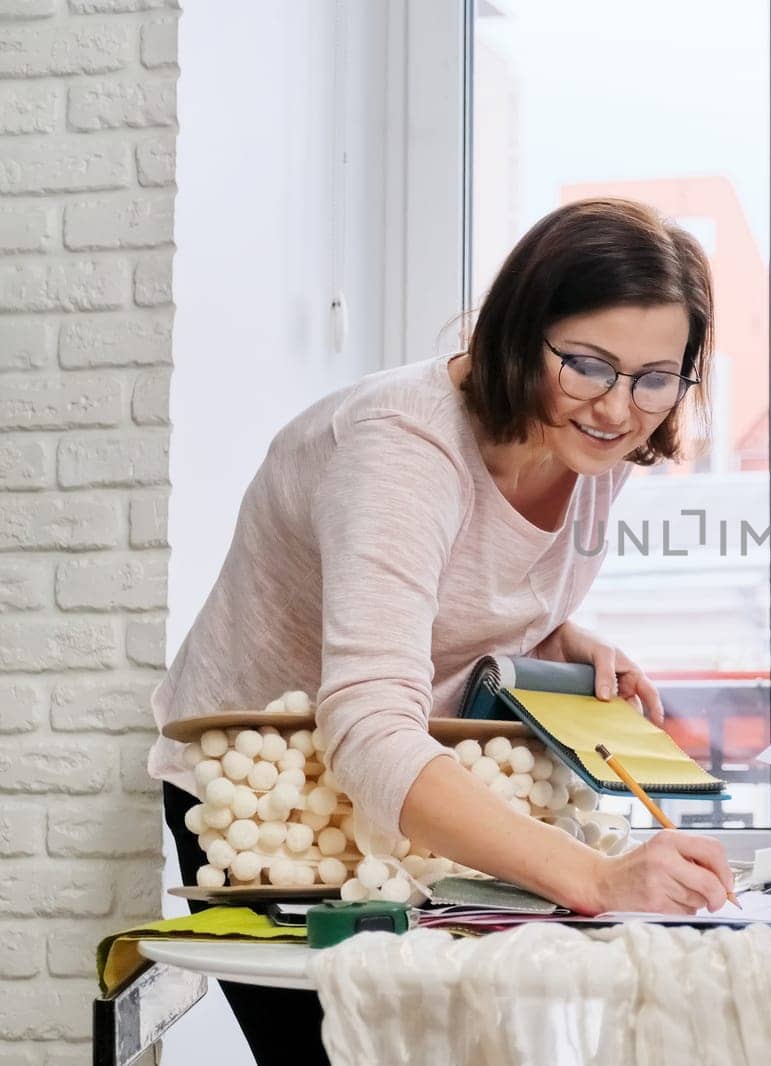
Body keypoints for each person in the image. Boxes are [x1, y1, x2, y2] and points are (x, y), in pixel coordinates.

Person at [150, 198, 736, 1063]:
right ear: (519, 331)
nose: (619, 407)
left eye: (657, 377)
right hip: (267, 796)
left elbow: (462, 578)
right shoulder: (402, 446)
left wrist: (561, 636)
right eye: (588, 365)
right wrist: (599, 880)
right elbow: (367, 723)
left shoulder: (592, 450)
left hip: (402, 792)